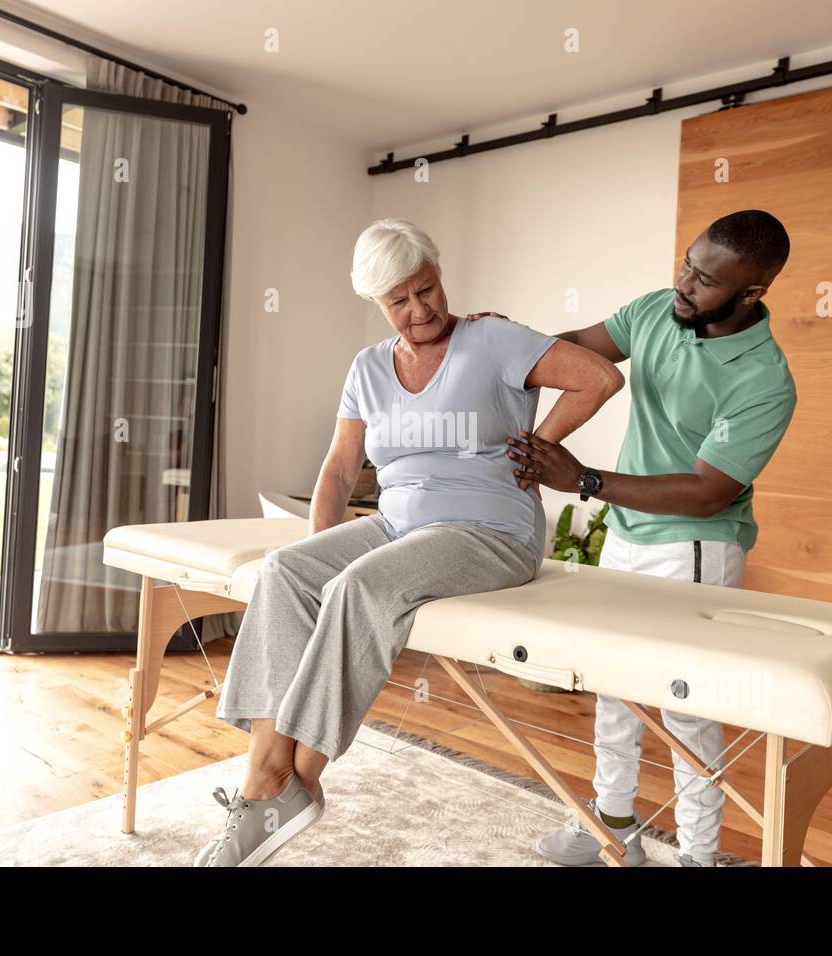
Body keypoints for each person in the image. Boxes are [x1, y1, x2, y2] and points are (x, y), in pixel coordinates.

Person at [198, 218, 625, 866]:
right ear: (376, 302)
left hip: (490, 530)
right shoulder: (368, 368)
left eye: (427, 289)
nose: (420, 309)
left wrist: (536, 451)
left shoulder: (491, 339)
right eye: (399, 301)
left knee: (359, 585)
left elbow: (599, 377)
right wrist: (318, 554)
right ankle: (264, 780)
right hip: (399, 523)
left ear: (438, 274)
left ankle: (303, 778)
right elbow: (341, 470)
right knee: (284, 570)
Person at [477, 209, 797, 867]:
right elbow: (576, 347)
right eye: (686, 263)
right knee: (614, 691)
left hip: (696, 548)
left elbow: (710, 491)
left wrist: (585, 480)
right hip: (625, 533)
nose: (684, 284)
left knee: (687, 709)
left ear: (750, 293)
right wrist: (504, 341)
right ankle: (611, 831)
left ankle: (700, 857)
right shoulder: (658, 309)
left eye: (704, 281)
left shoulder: (764, 378)